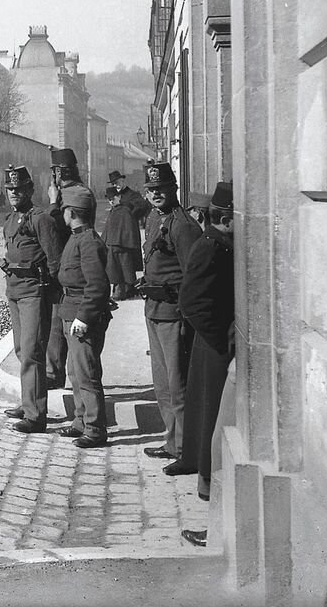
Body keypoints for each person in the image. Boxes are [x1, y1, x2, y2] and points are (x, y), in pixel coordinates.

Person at [175, 181, 235, 518]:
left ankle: (207, 480)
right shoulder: (209, 246)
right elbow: (191, 302)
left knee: (212, 413)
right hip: (214, 345)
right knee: (213, 414)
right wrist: (221, 339)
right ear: (225, 218)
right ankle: (208, 483)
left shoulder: (220, 243)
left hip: (214, 342)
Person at [138, 160, 202, 463]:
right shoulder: (153, 219)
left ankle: (187, 450)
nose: (156, 194)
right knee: (162, 386)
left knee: (178, 388)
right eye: (151, 189)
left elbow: (194, 275)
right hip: (154, 310)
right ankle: (173, 442)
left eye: (161, 188)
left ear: (174, 188)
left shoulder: (183, 225)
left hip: (174, 314)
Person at [0, 165, 65, 434]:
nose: (14, 193)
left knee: (33, 352)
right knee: (21, 351)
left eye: (19, 189)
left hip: (34, 292)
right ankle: (27, 404)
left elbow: (55, 260)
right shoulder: (10, 220)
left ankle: (36, 416)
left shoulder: (41, 219)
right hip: (14, 290)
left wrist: (51, 295)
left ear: (29, 190)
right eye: (10, 189)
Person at [56, 183, 112, 448]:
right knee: (75, 373)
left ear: (71, 211)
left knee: (87, 374)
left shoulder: (87, 241)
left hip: (82, 316)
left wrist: (84, 317)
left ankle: (95, 428)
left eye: (64, 209)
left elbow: (98, 285)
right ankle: (81, 421)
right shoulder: (77, 237)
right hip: (71, 309)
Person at [43, 147, 82, 388]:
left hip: (66, 262)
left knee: (59, 321)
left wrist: (52, 203)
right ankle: (57, 371)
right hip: (69, 262)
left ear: (59, 172)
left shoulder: (71, 196)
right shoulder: (78, 191)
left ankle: (54, 373)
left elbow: (56, 228)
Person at [103, 185, 142, 299]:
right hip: (113, 245)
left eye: (113, 198)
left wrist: (126, 242)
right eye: (109, 199)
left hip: (123, 245)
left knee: (125, 268)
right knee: (115, 269)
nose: (111, 201)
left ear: (119, 197)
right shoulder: (114, 211)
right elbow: (108, 229)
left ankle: (125, 290)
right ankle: (120, 289)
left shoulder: (125, 211)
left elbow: (130, 228)